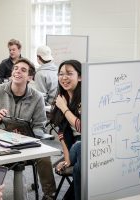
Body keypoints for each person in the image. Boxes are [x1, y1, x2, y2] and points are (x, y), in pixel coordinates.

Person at [0, 58, 56, 200]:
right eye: (16, 68)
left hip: (27, 142)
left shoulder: (37, 97)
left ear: (30, 77)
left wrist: (28, 136)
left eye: (23, 70)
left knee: (44, 157)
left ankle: (50, 195)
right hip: (0, 141)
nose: (17, 71)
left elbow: (40, 125)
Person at [50, 60, 82, 200]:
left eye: (69, 74)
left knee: (80, 159)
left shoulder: (85, 98)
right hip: (76, 147)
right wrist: (67, 159)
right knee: (80, 147)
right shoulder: (60, 98)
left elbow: (82, 127)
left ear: (80, 77)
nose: (64, 78)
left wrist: (64, 108)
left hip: (92, 145)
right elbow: (61, 133)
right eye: (61, 74)